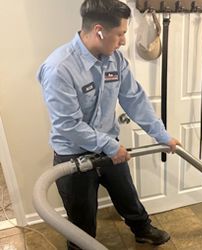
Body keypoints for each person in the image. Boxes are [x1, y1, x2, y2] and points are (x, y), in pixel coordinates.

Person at [37, 0, 180, 249]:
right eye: (121, 34)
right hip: (73, 157)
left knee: (128, 196)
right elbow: (68, 124)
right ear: (99, 30)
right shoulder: (59, 68)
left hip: (109, 146)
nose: (124, 41)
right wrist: (110, 146)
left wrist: (161, 135)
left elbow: (135, 99)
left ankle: (142, 229)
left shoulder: (115, 60)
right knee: (81, 222)